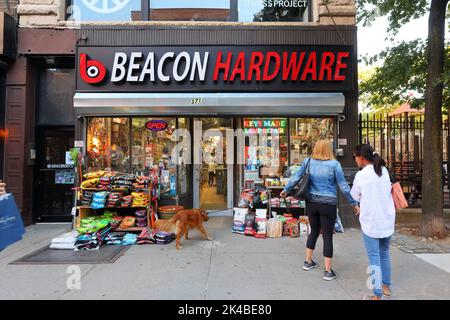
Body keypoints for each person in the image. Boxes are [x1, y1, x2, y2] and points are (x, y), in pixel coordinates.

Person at [280, 139, 359, 281]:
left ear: (316, 148)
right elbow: (343, 186)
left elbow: (296, 177)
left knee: (314, 231)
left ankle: (308, 262)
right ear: (329, 149)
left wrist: (286, 190)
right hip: (328, 205)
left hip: (311, 203)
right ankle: (328, 271)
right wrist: (353, 202)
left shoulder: (308, 161)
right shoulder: (335, 164)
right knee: (327, 235)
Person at [350, 144, 395, 300]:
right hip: (387, 219)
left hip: (371, 222)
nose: (355, 160)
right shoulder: (384, 171)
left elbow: (353, 196)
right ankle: (386, 286)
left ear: (361, 158)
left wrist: (359, 205)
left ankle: (377, 294)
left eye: (354, 157)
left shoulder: (361, 175)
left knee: (374, 257)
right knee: (384, 254)